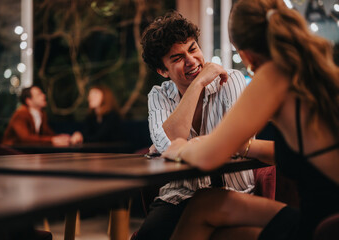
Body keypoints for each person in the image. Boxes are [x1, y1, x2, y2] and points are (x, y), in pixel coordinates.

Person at [163, 0, 339, 239]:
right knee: (209, 205)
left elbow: (207, 158)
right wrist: (245, 146)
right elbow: (310, 153)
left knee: (212, 223)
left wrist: (180, 148)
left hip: (321, 226)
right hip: (328, 217)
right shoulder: (317, 71)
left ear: (244, 52)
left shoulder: (273, 75)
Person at [135, 11, 255, 240]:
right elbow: (168, 145)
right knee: (150, 235)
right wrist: (198, 83)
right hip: (179, 195)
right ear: (162, 71)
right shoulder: (159, 96)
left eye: (192, 49)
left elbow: (236, 140)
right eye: (177, 58)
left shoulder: (230, 80)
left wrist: (182, 147)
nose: (191, 60)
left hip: (231, 192)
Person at [2, 86, 83, 146]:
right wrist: (52, 140)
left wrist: (65, 137)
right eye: (39, 94)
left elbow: (47, 133)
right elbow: (25, 138)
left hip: (28, 152)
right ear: (28, 101)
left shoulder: (42, 114)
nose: (43, 96)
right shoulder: (20, 114)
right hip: (11, 152)